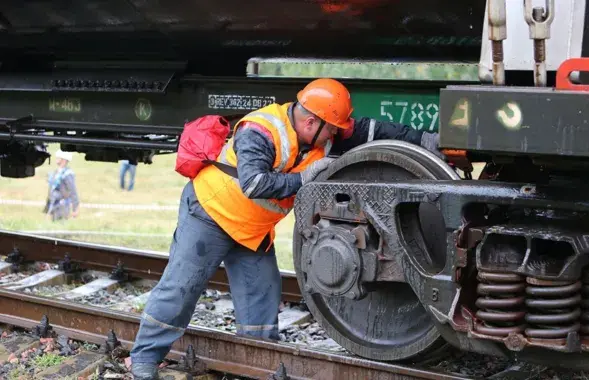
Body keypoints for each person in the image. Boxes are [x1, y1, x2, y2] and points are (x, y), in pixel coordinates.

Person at [130, 78, 444, 379]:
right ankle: (145, 358)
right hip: (212, 214)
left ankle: (258, 363)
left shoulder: (323, 127)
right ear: (312, 123)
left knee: (262, 297)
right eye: (331, 130)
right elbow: (254, 183)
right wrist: (305, 178)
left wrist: (428, 141)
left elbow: (371, 130)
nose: (335, 136)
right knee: (181, 288)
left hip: (253, 230)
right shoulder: (260, 130)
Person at [44, 150, 80, 221]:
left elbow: (73, 191)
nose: (56, 158)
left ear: (64, 159)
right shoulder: (56, 172)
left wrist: (75, 208)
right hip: (54, 206)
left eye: (58, 157)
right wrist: (48, 208)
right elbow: (51, 191)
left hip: (63, 207)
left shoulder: (68, 174)